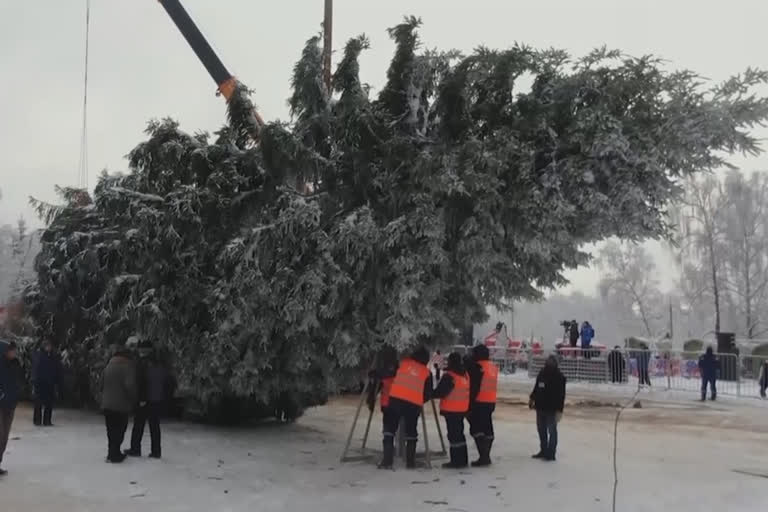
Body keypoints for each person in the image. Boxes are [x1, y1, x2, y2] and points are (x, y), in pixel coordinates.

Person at [378, 346, 432, 469]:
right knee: (411, 432)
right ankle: (410, 462)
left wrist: (376, 374)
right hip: (413, 405)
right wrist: (418, 398)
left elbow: (387, 373)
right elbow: (428, 393)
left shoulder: (403, 364)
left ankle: (387, 461)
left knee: (389, 430)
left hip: (395, 400)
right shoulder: (426, 372)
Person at [127, 342, 169, 459]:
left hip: (145, 399)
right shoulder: (160, 362)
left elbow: (141, 381)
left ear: (143, 350)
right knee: (155, 426)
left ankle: (135, 449)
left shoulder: (142, 363)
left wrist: (141, 398)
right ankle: (156, 451)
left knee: (138, 425)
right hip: (157, 399)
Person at [432, 352, 469, 469]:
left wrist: (428, 393)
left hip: (451, 409)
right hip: (462, 409)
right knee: (460, 435)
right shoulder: (465, 375)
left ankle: (456, 461)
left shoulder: (450, 376)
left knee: (453, 436)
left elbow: (440, 392)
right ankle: (462, 459)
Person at [101, 345, 137, 463]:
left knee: (110, 430)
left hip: (107, 404)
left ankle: (111, 453)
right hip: (121, 405)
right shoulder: (128, 366)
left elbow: (101, 383)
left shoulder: (108, 365)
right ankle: (115, 454)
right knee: (120, 430)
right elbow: (130, 385)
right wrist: (134, 398)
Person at [529, 354, 566, 461]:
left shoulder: (559, 377)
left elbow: (561, 395)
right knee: (541, 430)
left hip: (552, 409)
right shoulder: (542, 373)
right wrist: (532, 398)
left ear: (556, 363)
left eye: (552, 361)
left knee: (552, 431)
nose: (549, 362)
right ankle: (543, 450)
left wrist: (560, 410)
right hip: (540, 407)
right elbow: (536, 388)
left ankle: (551, 453)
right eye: (548, 360)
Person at [467, 344, 498, 467]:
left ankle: (484, 457)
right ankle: (486, 456)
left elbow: (474, 387)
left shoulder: (477, 367)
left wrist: (469, 404)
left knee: (476, 429)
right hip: (490, 401)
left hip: (478, 402)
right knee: (488, 429)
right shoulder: (492, 367)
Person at [0, 342, 23, 476]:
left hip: (10, 404)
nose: (14, 353)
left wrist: (17, 394)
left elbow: (18, 380)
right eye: (12, 351)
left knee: (4, 438)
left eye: (15, 351)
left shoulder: (15, 363)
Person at [32, 340, 62, 427]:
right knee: (38, 403)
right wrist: (35, 381)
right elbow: (36, 369)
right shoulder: (39, 355)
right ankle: (37, 420)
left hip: (50, 383)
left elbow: (56, 369)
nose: (49, 348)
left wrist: (56, 381)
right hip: (40, 383)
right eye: (47, 346)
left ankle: (47, 420)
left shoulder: (53, 356)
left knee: (49, 403)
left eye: (49, 346)